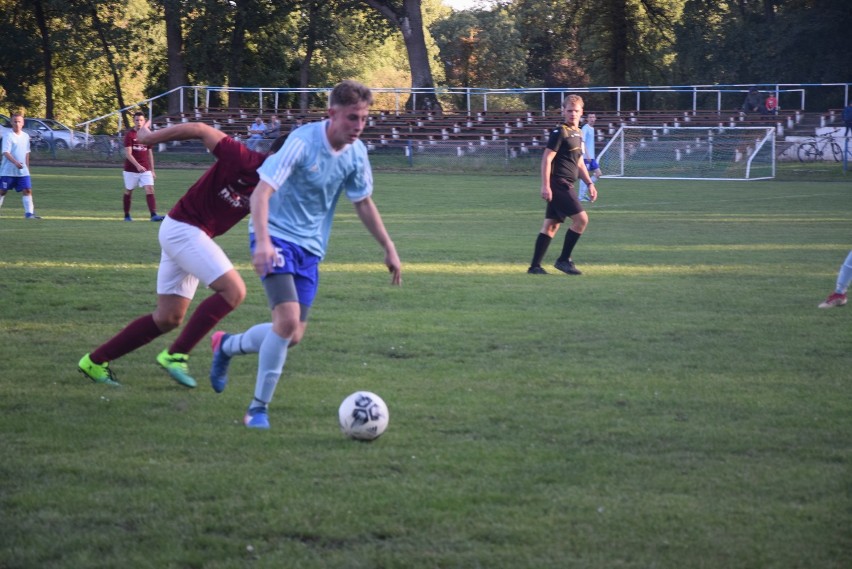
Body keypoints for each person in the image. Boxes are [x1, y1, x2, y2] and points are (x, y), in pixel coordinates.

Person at [207, 79, 402, 429]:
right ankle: (257, 409)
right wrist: (264, 241)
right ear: (332, 114)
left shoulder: (356, 154)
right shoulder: (301, 142)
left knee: (292, 334)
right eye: (352, 118)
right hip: (276, 237)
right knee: (285, 321)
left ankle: (227, 346)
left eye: (363, 119)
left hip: (310, 248)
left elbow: (363, 202)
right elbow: (260, 194)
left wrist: (388, 246)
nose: (358, 126)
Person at [78, 121, 288, 387]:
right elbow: (201, 129)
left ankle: (95, 361)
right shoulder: (244, 158)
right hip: (184, 229)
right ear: (276, 157)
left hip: (187, 233)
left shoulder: (274, 188)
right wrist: (151, 137)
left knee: (168, 318)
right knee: (234, 291)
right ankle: (176, 355)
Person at [527, 94, 596, 276]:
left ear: (582, 112)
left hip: (567, 183)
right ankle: (564, 260)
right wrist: (545, 185)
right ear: (563, 111)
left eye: (576, 111)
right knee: (582, 220)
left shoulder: (579, 133)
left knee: (551, 225)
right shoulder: (560, 132)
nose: (573, 114)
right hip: (559, 183)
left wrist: (589, 182)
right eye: (569, 110)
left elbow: (579, 162)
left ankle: (535, 267)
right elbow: (547, 159)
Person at [123, 111, 164, 222]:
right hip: (131, 169)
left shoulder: (146, 135)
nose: (139, 122)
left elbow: (149, 152)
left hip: (145, 168)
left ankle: (153, 215)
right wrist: (137, 166)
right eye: (137, 120)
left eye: (141, 120)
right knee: (129, 190)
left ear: (144, 121)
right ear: (133, 121)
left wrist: (152, 170)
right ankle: (127, 215)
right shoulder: (130, 135)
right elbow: (128, 153)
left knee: (150, 189)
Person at [0, 112, 40, 219]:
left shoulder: (26, 136)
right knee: (2, 191)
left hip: (22, 171)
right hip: (8, 170)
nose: (17, 124)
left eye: (19, 121)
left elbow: (27, 152)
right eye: (15, 121)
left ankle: (29, 214)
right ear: (11, 123)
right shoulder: (8, 136)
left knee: (27, 190)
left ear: (23, 123)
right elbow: (6, 152)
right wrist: (16, 163)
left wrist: (27, 167)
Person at [578, 112, 599, 202]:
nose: (592, 119)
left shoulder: (592, 128)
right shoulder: (585, 128)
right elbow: (582, 142)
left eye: (593, 117)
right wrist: (587, 155)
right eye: (590, 117)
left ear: (595, 119)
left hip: (591, 157)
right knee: (584, 175)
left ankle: (582, 194)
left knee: (598, 174)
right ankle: (581, 196)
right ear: (587, 119)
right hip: (586, 157)